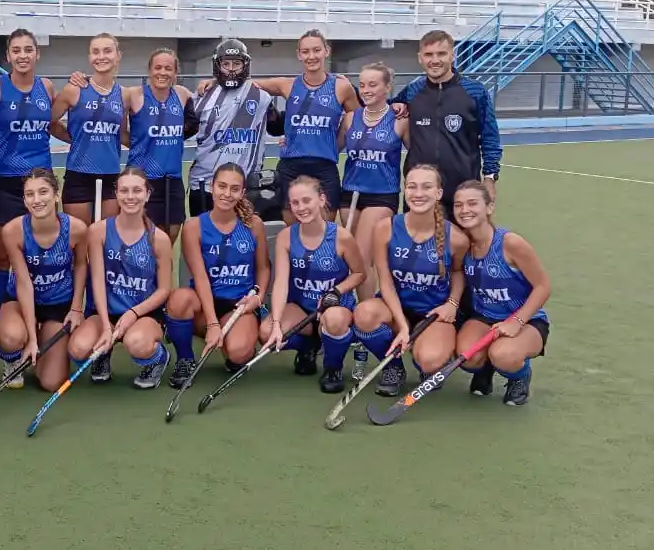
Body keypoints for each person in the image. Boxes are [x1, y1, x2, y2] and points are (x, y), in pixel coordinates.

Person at [351, 165, 468, 397]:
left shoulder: (456, 237)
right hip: (396, 307)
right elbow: (385, 281)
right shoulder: (385, 228)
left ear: (438, 193)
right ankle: (394, 367)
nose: (418, 193)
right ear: (404, 190)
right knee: (364, 315)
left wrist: (452, 303)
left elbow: (458, 272)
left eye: (427, 187)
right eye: (412, 186)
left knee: (429, 361)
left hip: (433, 313)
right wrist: (402, 326)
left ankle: (429, 362)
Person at [165, 163, 270, 387]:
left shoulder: (254, 225)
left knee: (239, 353)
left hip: (239, 305)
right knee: (179, 299)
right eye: (222, 186)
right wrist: (212, 323)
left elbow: (263, 267)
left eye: (234, 188)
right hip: (204, 304)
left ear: (242, 192)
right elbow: (200, 276)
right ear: (212, 187)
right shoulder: (193, 226)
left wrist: (258, 297)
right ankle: (185, 359)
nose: (227, 193)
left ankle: (232, 347)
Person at [68, 167, 174, 388]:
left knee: (137, 343)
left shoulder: (159, 239)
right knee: (78, 349)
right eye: (124, 191)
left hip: (143, 314)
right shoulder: (98, 231)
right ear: (116, 194)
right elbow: (96, 280)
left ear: (147, 194)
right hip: (104, 312)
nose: (130, 197)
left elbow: (164, 290)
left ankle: (158, 359)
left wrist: (133, 313)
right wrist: (106, 326)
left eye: (137, 190)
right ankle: (103, 355)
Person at [0, 28, 56, 334]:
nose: (22, 56)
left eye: (28, 50)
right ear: (7, 56)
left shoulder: (48, 88)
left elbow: (55, 124)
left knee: (39, 256)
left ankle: (38, 318)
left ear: (37, 54)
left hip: (39, 183)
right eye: (16, 51)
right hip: (1, 182)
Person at [259, 176, 365, 393]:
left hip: (335, 308)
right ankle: (309, 346)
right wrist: (278, 322)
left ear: (321, 199)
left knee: (334, 321)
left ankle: (332, 367)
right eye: (295, 203)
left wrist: (336, 290)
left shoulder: (341, 237)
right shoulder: (286, 237)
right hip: (302, 310)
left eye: (306, 200)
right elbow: (280, 282)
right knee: (266, 332)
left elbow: (360, 273)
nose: (301, 207)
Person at [454, 181, 551, 406]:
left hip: (526, 320)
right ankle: (485, 369)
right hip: (484, 317)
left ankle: (520, 376)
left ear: (489, 207)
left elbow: (543, 286)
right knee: (467, 358)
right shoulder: (462, 245)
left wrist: (516, 321)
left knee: (504, 356)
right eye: (459, 205)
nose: (464, 210)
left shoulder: (510, 243)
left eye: (472, 203)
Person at [0, 169, 89, 391]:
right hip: (21, 300)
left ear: (56, 195)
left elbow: (82, 265)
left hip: (57, 304)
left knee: (51, 382)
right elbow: (24, 284)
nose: (37, 200)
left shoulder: (76, 229)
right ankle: (15, 352)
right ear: (24, 200)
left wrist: (76, 309)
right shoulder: (13, 231)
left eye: (43, 192)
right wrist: (32, 341)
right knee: (12, 337)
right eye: (30, 194)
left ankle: (38, 338)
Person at [251, 30, 359, 225]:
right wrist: (214, 81)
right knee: (293, 234)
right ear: (299, 54)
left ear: (326, 51)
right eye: (306, 51)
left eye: (317, 50)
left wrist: (337, 143)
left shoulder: (341, 87)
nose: (311, 56)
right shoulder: (288, 85)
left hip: (324, 169)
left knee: (323, 231)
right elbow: (247, 84)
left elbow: (359, 118)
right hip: (291, 168)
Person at [390, 29, 502, 214]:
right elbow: (381, 108)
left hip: (463, 191)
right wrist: (396, 105)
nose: (435, 60)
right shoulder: (412, 92)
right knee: (420, 242)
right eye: (428, 54)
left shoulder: (475, 92)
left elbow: (490, 139)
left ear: (452, 55)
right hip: (421, 192)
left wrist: (489, 179)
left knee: (464, 243)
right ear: (420, 58)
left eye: (441, 54)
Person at [189, 38, 282, 217]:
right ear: (218, 65)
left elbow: (278, 126)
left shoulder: (261, 98)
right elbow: (183, 133)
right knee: (203, 240)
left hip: (245, 187)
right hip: (204, 185)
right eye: (226, 63)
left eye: (237, 63)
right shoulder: (201, 97)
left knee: (243, 242)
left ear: (245, 65)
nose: (231, 69)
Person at [339, 61, 406, 302]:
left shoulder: (400, 119)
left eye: (373, 85)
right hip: (349, 194)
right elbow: (331, 148)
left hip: (381, 194)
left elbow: (420, 153)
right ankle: (355, 312)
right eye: (362, 85)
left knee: (362, 257)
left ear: (387, 87)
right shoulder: (350, 118)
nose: (366, 90)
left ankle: (368, 317)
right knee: (351, 257)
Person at [51, 33, 128, 224]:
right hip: (79, 175)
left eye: (107, 51)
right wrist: (73, 137)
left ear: (118, 55)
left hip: (111, 175)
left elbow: (123, 134)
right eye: (95, 52)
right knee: (79, 241)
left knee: (105, 239)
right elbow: (49, 122)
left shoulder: (125, 95)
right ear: (89, 57)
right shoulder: (74, 89)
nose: (101, 56)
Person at [125, 48, 194, 242]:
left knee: (169, 238)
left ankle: (161, 273)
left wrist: (209, 82)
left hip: (173, 180)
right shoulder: (134, 95)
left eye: (168, 68)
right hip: (143, 179)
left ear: (175, 73)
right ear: (149, 70)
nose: (162, 72)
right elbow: (105, 96)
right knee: (142, 240)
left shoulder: (181, 95)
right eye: (158, 67)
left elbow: (208, 96)